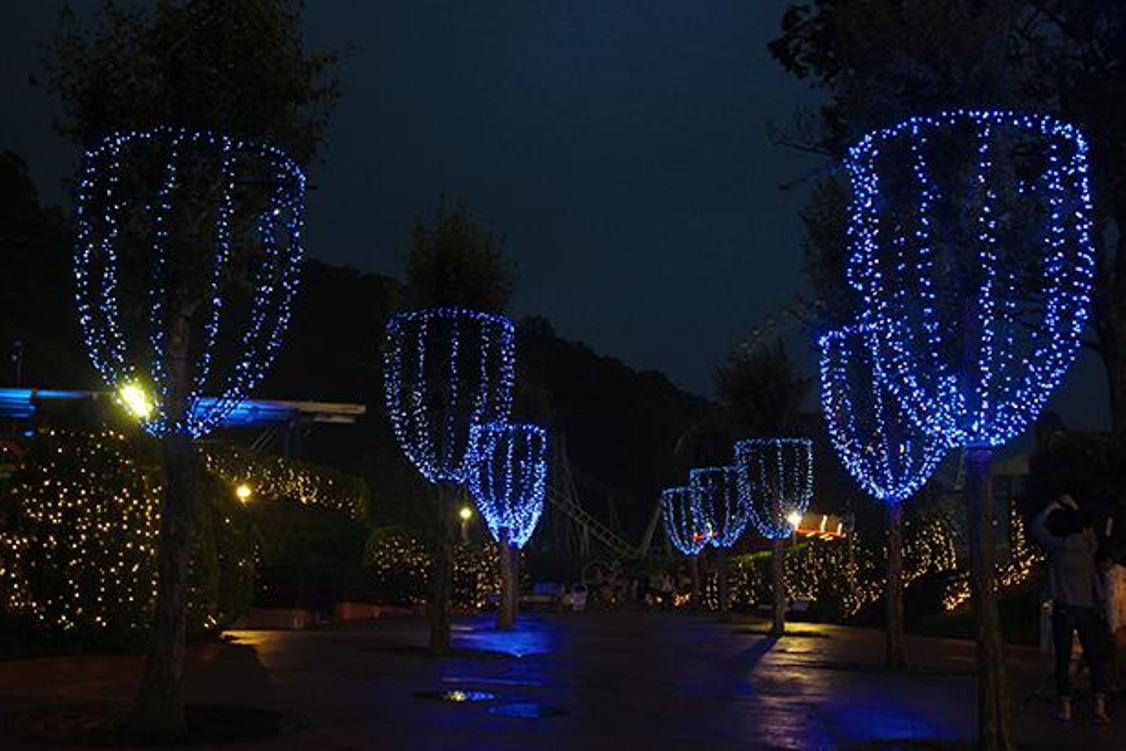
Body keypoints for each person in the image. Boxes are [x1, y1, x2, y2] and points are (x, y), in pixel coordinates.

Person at [1032, 495, 1110, 724]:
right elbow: (1088, 528)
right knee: (1094, 657)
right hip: (1086, 608)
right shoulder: (1089, 548)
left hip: (1064, 608)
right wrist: (1075, 506)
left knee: (1063, 659)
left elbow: (1037, 527)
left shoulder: (1058, 548)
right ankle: (1099, 706)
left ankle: (1065, 706)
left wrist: (1052, 507)